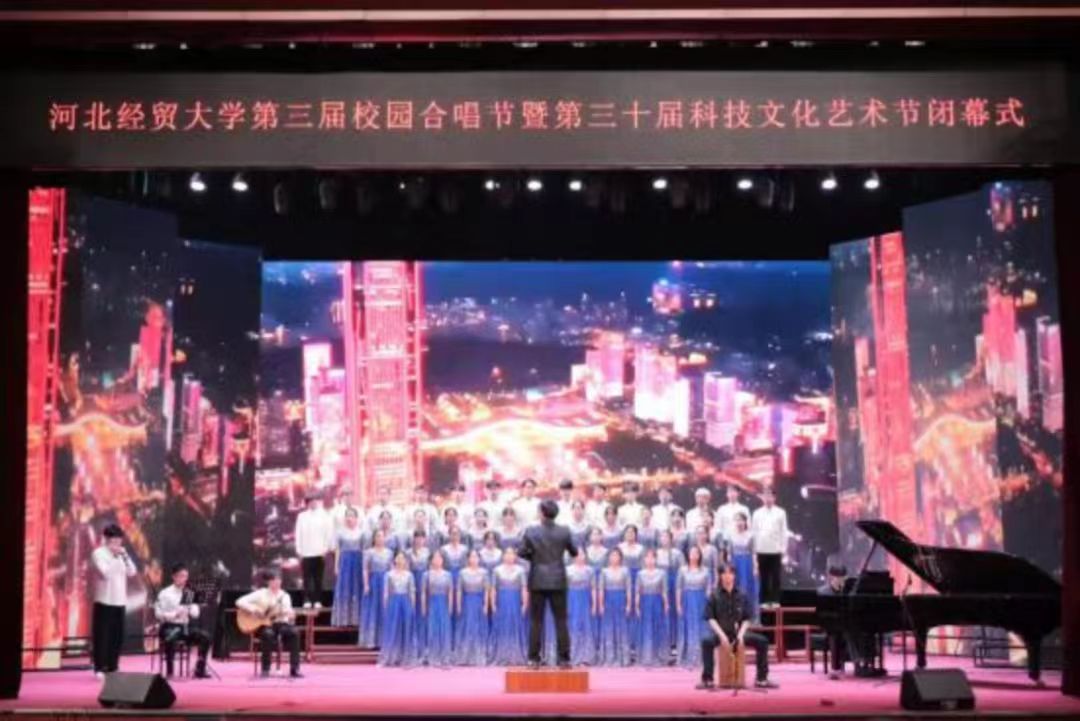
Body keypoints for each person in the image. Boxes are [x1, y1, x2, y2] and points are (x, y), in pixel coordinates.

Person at [519, 499, 577, 668]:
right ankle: (564, 659)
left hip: (537, 579)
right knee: (561, 621)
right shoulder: (564, 531)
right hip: (558, 580)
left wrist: (535, 558)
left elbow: (521, 552)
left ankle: (533, 659)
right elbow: (574, 552)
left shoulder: (531, 531)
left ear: (542, 513)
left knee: (536, 621)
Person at [698, 563, 776, 690]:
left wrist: (741, 635)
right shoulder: (714, 595)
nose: (727, 576)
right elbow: (710, 618)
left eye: (730, 573)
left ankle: (761, 679)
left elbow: (747, 618)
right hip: (721, 633)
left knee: (762, 641)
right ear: (720, 576)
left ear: (734, 575)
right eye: (724, 573)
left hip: (739, 633)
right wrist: (722, 636)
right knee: (706, 642)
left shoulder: (742, 595)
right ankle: (708, 679)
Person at [236, 571, 302, 679]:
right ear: (269, 582)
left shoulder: (285, 596)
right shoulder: (261, 593)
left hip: (280, 623)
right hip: (263, 625)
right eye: (274, 580)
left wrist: (290, 617)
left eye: (279, 579)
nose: (277, 582)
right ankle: (265, 669)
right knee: (268, 634)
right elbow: (239, 601)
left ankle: (295, 668)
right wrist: (254, 609)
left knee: (294, 632)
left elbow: (287, 613)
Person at [91, 524, 137, 677]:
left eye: (119, 540)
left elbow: (132, 572)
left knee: (117, 636)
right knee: (102, 636)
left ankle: (113, 666)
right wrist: (116, 557)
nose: (118, 543)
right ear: (106, 539)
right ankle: (99, 667)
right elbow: (106, 574)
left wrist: (124, 556)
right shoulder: (98, 553)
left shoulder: (122, 553)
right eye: (114, 540)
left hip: (120, 600)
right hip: (104, 600)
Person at [154, 563, 211, 679]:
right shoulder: (165, 593)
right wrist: (174, 614)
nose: (184, 579)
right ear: (174, 577)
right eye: (181, 576)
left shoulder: (190, 592)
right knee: (170, 636)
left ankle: (200, 669)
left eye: (185, 576)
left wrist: (190, 608)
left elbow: (196, 614)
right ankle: (170, 671)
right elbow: (158, 614)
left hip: (184, 627)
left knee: (205, 637)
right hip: (169, 626)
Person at [489, 547, 529, 666]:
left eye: (512, 553)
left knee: (515, 625)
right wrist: (493, 603)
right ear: (503, 556)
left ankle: (516, 655)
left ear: (515, 556)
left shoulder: (521, 570)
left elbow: (524, 588)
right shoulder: (497, 570)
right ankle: (501, 655)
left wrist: (524, 603)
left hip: (515, 601)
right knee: (502, 626)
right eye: (507, 553)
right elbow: (493, 589)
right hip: (502, 601)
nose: (509, 556)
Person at [751, 487, 788, 610]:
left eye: (770, 496)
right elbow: (754, 532)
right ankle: (764, 600)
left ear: (774, 497)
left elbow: (784, 532)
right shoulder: (757, 513)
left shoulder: (780, 512)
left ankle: (775, 600)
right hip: (761, 549)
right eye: (765, 496)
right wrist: (754, 550)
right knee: (764, 577)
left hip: (776, 549)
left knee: (776, 576)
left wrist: (783, 548)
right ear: (762, 497)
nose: (767, 498)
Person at [379, 551, 418, 667]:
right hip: (393, 602)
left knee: (406, 629)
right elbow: (386, 592)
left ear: (405, 561)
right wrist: (385, 606)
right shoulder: (388, 575)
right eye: (398, 558)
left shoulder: (409, 575)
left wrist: (412, 607)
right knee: (392, 629)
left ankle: (406, 658)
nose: (400, 560)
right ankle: (388, 657)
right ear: (395, 559)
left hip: (406, 602)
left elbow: (412, 592)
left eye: (402, 558)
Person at [295, 493, 333, 609]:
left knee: (318, 578)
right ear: (307, 503)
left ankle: (317, 600)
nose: (313, 503)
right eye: (311, 501)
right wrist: (299, 549)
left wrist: (325, 549)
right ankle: (307, 599)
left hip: (319, 552)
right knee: (306, 578)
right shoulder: (302, 516)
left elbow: (328, 533)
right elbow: (298, 533)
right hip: (306, 552)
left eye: (315, 500)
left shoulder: (324, 516)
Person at [454, 550, 491, 666]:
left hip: (479, 602)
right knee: (466, 628)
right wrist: (459, 605)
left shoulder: (484, 572)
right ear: (468, 559)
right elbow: (459, 590)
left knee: (478, 628)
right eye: (472, 556)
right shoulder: (462, 572)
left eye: (476, 557)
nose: (474, 559)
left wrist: (486, 604)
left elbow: (487, 590)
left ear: (479, 559)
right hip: (466, 602)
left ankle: (479, 656)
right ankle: (464, 657)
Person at [359, 529, 394, 648]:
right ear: (374, 538)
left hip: (385, 582)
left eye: (382, 536)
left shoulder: (389, 552)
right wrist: (366, 584)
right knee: (372, 610)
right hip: (373, 582)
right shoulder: (368, 552)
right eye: (377, 536)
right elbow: (365, 569)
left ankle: (384, 641)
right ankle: (370, 640)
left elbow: (391, 570)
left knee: (384, 609)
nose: (380, 538)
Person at [676, 546, 711, 668]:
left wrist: (709, 604)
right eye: (691, 552)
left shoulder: (705, 570)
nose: (694, 555)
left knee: (702, 628)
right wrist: (678, 604)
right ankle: (687, 658)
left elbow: (708, 588)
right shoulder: (682, 570)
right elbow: (678, 588)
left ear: (700, 555)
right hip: (687, 601)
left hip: (701, 601)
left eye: (696, 553)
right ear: (688, 555)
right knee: (688, 628)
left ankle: (702, 658)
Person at [598, 548, 632, 666]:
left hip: (621, 600)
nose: (614, 558)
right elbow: (601, 589)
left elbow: (628, 588)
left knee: (621, 627)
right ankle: (608, 657)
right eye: (612, 555)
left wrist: (628, 604)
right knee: (608, 627)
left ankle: (623, 658)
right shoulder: (604, 571)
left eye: (617, 555)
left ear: (620, 558)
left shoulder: (625, 571)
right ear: (608, 558)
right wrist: (601, 604)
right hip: (608, 600)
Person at [635, 549, 670, 666]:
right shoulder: (640, 574)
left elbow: (664, 591)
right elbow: (638, 592)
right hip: (645, 602)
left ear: (656, 559)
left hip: (657, 602)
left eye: (652, 557)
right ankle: (646, 657)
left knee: (657, 628)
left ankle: (659, 656)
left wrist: (666, 604)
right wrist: (637, 606)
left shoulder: (662, 573)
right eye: (648, 557)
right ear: (644, 559)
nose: (650, 560)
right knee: (646, 628)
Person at [331, 508, 364, 627]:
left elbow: (364, 550)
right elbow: (337, 550)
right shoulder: (340, 532)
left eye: (352, 516)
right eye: (347, 516)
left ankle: (356, 619)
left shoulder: (362, 532)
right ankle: (343, 619)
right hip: (344, 562)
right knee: (344, 588)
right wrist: (336, 566)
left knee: (357, 588)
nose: (349, 518)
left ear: (356, 518)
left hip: (358, 562)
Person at [421, 551, 454, 668]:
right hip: (432, 603)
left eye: (439, 557)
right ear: (431, 560)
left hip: (443, 603)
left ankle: (445, 657)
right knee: (432, 629)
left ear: (443, 560)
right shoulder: (426, 575)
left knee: (444, 630)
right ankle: (432, 657)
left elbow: (450, 592)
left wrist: (450, 606)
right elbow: (423, 592)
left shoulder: (448, 575)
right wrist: (424, 606)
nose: (437, 560)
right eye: (435, 557)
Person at [566, 550, 597, 667]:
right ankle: (572, 657)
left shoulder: (590, 570)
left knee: (586, 626)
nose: (579, 556)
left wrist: (594, 604)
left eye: (582, 554)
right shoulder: (567, 569)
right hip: (572, 600)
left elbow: (593, 588)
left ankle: (586, 658)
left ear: (585, 556)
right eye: (577, 554)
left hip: (585, 600)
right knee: (573, 626)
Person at [726, 512, 759, 622]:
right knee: (734, 589)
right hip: (735, 564)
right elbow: (729, 553)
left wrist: (755, 567)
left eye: (741, 520)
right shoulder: (731, 535)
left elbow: (754, 553)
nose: (739, 522)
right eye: (737, 520)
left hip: (747, 564)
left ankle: (749, 616)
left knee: (747, 588)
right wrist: (729, 568)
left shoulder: (751, 535)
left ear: (745, 522)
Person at [656, 530, 685, 649]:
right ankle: (662, 640)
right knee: (661, 609)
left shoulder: (677, 553)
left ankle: (675, 640)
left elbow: (683, 570)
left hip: (673, 582)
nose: (664, 539)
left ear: (671, 539)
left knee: (673, 611)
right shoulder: (656, 553)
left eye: (667, 537)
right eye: (662, 537)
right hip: (659, 583)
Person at [714, 485, 750, 551]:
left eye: (734, 491)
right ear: (727, 494)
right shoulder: (722, 509)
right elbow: (718, 527)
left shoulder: (744, 509)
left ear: (738, 494)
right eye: (729, 492)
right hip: (725, 541)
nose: (732, 494)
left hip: (740, 541)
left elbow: (748, 526)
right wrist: (721, 544)